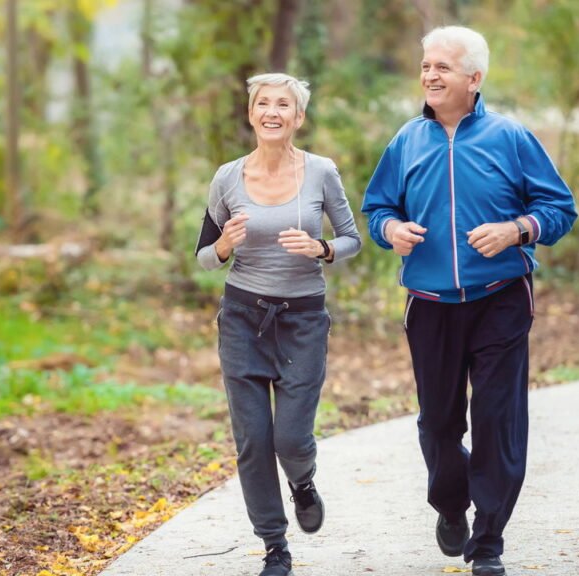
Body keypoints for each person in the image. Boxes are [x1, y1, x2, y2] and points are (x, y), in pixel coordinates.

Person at [361, 26, 578, 576]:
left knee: (497, 417)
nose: (430, 75)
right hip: (430, 301)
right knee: (438, 423)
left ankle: (488, 542)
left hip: (500, 298)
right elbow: (377, 207)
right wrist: (391, 231)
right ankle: (451, 502)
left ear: (474, 78)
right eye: (426, 65)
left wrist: (518, 230)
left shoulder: (510, 137)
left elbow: (559, 209)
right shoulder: (406, 140)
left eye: (443, 67)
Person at [195, 72, 361, 576]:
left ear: (298, 116)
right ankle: (274, 545)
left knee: (289, 437)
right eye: (263, 103)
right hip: (244, 318)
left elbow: (352, 238)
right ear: (251, 114)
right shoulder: (227, 177)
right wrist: (224, 245)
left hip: (303, 320)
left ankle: (303, 481)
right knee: (252, 439)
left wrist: (323, 248)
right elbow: (204, 257)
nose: (272, 111)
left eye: (283, 104)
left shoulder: (321, 172)